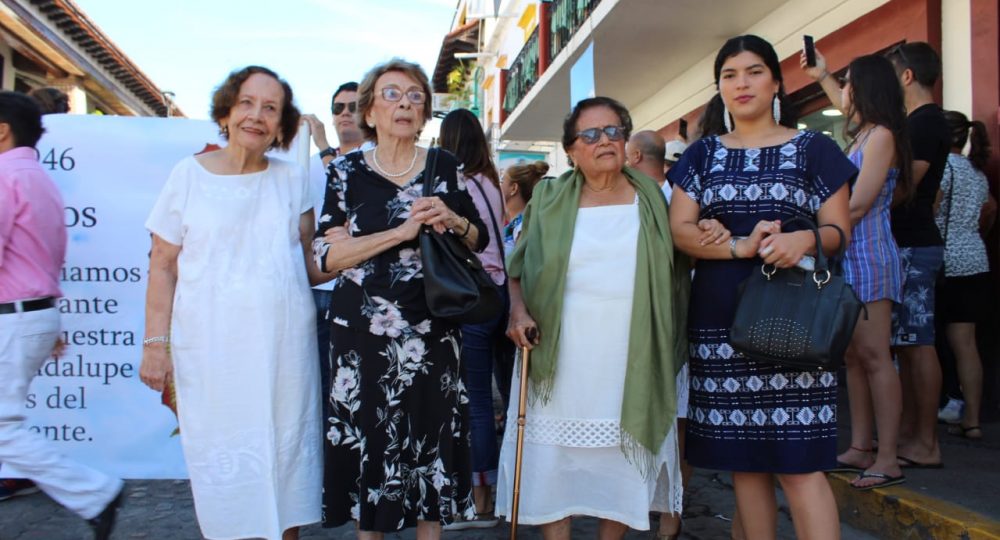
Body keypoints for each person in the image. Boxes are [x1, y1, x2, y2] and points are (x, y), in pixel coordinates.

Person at [668, 35, 854, 540]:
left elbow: (838, 233)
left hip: (796, 322)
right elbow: (679, 232)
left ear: (775, 81)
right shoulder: (701, 155)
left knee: (799, 465)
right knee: (744, 465)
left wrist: (802, 240)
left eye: (753, 72)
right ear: (719, 88)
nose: (741, 83)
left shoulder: (814, 147)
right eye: (730, 75)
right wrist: (736, 248)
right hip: (720, 321)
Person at [140, 66, 323, 540]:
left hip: (286, 354)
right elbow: (162, 264)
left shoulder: (293, 180)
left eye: (270, 108)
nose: (256, 116)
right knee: (224, 477)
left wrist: (361, 251)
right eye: (247, 103)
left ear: (283, 125)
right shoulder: (188, 175)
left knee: (286, 477)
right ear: (226, 110)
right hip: (213, 353)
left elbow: (307, 259)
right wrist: (155, 346)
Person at [497, 96, 686, 539]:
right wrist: (518, 311)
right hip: (558, 361)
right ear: (571, 151)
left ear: (626, 141)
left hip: (629, 357)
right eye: (591, 134)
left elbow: (682, 262)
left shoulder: (654, 201)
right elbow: (517, 268)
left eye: (614, 131)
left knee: (620, 471)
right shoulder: (547, 199)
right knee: (551, 471)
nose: (605, 140)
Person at [314, 59, 485, 539]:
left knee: (428, 443)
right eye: (391, 94)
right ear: (368, 111)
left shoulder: (443, 166)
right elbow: (329, 255)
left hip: (432, 327)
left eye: (414, 96)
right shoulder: (344, 172)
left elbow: (481, 238)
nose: (405, 103)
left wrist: (451, 218)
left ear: (426, 111)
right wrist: (401, 232)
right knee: (371, 440)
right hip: (361, 334)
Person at [0, 91, 122, 539]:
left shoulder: (4, 177)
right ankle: (94, 494)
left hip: (13, 316)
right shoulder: (39, 179)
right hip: (29, 313)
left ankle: (94, 492)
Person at [802, 51, 912, 489]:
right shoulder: (865, 134)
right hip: (849, 255)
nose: (841, 90)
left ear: (862, 88)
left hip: (868, 255)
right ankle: (861, 446)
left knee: (874, 357)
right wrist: (824, 75)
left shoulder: (880, 135)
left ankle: (887, 456)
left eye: (847, 83)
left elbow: (861, 203)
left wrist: (810, 228)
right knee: (853, 357)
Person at [437, 108, 509, 530]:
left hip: (474, 298)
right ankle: (488, 493)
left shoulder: (459, 183)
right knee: (488, 398)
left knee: (475, 401)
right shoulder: (490, 179)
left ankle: (479, 501)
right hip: (497, 293)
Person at [626, 128, 699, 539]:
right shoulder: (676, 198)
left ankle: (664, 510)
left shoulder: (662, 198)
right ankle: (665, 511)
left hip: (664, 323)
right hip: (667, 323)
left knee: (669, 417)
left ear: (634, 155)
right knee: (673, 419)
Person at [885, 42, 951, 469]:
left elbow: (908, 187)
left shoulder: (926, 122)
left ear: (907, 76)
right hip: (910, 243)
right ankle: (912, 436)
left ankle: (925, 442)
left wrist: (864, 200)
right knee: (906, 345)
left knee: (917, 343)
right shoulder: (918, 122)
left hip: (914, 244)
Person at [301, 81, 364, 427]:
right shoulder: (307, 164)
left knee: (354, 385)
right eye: (338, 107)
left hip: (356, 286)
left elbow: (350, 193)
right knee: (319, 386)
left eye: (352, 106)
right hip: (314, 289)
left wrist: (324, 144)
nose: (344, 114)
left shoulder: (375, 159)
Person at [936, 110, 993, 440]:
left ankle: (943, 405)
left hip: (946, 263)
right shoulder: (977, 172)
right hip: (976, 259)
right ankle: (971, 419)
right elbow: (990, 209)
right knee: (967, 345)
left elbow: (931, 211)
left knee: (932, 343)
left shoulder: (941, 169)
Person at [501, 161, 548, 254]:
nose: (499, 186)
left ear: (514, 188)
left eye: (502, 181)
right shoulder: (515, 223)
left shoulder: (522, 226)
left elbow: (520, 264)